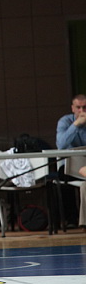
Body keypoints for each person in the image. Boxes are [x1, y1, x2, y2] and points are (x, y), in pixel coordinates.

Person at [55, 94, 86, 227]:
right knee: (63, 180)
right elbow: (61, 145)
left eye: (85, 107)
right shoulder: (65, 122)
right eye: (78, 107)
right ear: (73, 108)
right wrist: (75, 125)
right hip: (70, 167)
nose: (82, 111)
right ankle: (71, 219)